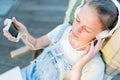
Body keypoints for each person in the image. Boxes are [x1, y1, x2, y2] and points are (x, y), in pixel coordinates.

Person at [3, 0, 119, 80]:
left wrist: (78, 67)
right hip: (26, 73)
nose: (76, 30)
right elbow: (36, 44)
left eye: (86, 30)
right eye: (77, 20)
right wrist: (23, 33)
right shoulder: (63, 30)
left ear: (101, 35)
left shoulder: (94, 66)